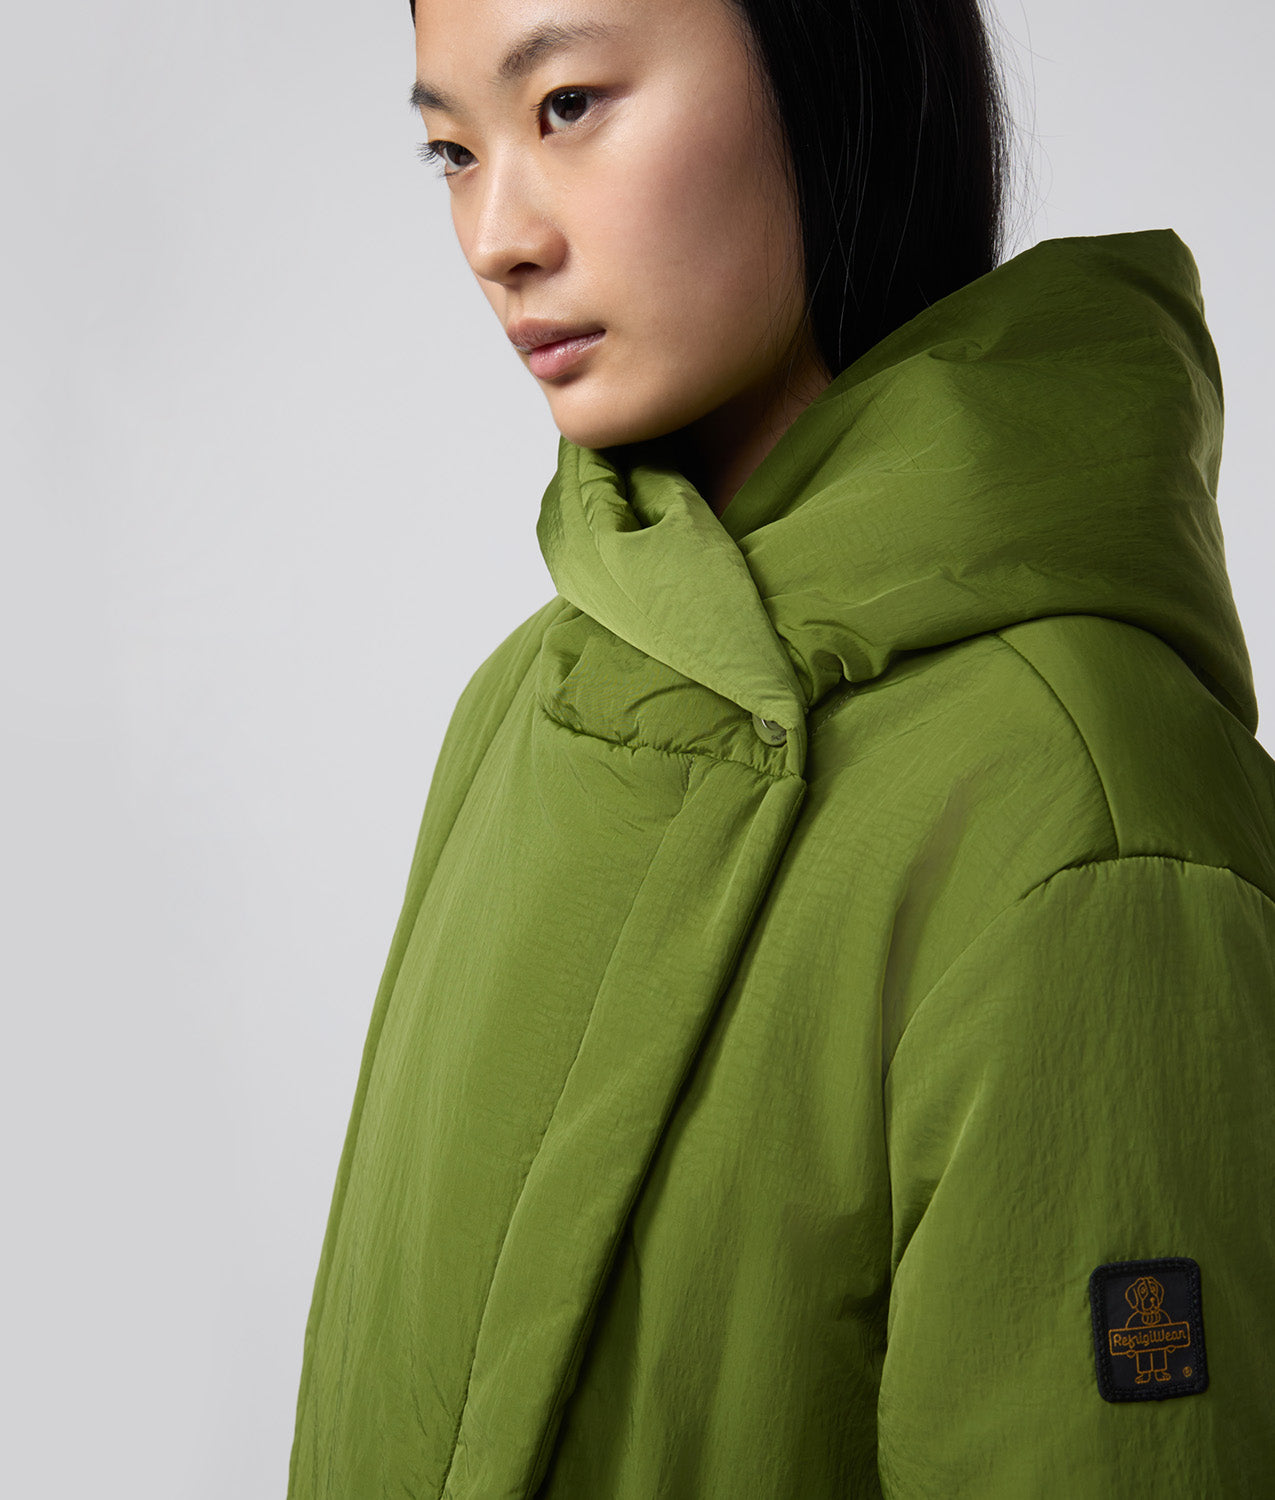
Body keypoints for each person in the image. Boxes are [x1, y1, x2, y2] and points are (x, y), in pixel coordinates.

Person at [288, 0, 1275, 1494]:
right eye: (451, 150)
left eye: (567, 106)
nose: (497, 238)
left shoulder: (1087, 810)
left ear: (833, 71)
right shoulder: (522, 703)